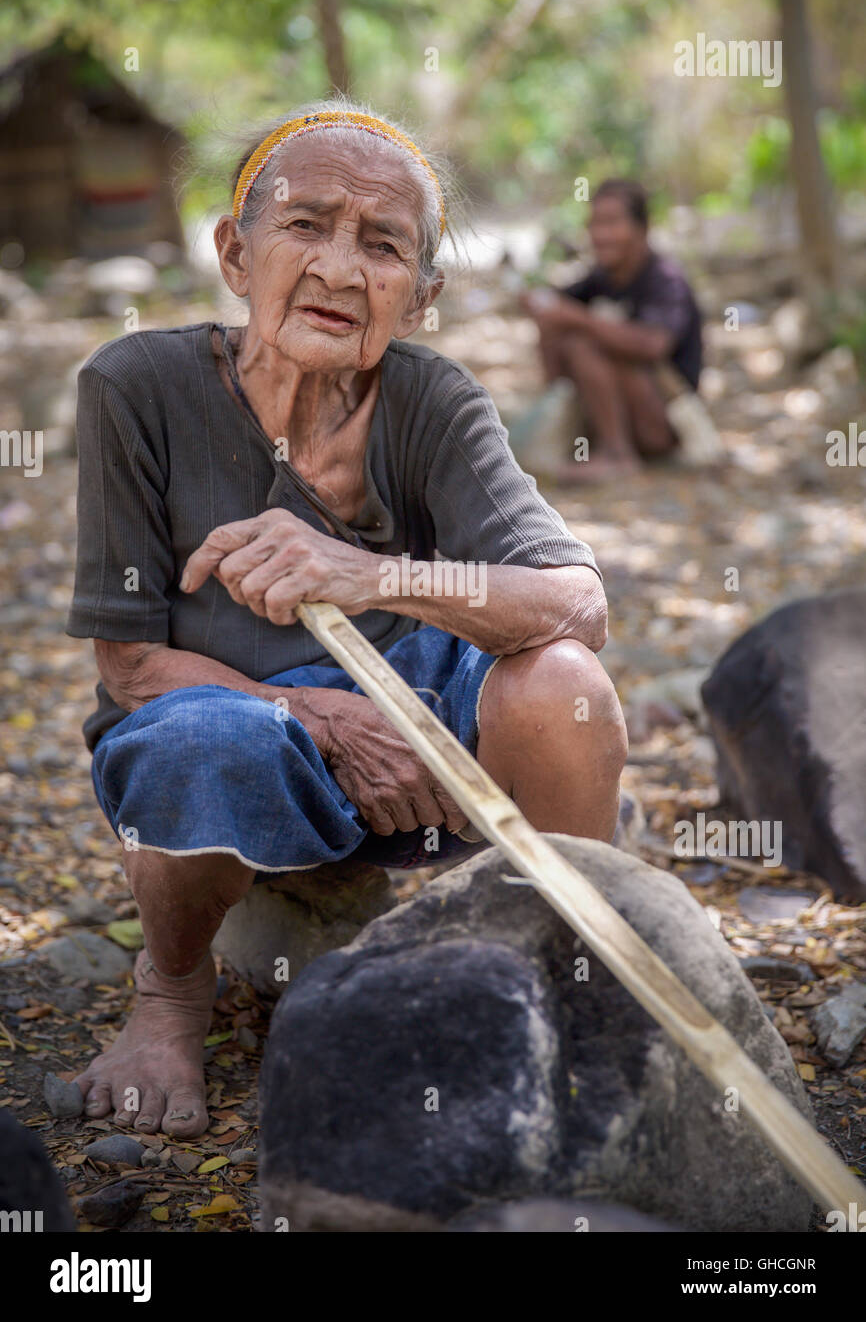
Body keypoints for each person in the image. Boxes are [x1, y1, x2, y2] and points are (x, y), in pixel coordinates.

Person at [65, 102, 628, 1139]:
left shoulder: (431, 400)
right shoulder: (133, 387)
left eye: (382, 245)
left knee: (560, 685)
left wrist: (363, 575)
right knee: (186, 743)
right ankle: (172, 992)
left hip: (427, 738)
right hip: (233, 722)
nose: (338, 266)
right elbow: (134, 664)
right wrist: (322, 715)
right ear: (236, 254)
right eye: (304, 225)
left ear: (418, 297)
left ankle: (568, 970)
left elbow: (575, 603)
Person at [522, 178, 703, 482]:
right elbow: (557, 307)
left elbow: (653, 345)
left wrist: (579, 319)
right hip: (633, 413)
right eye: (594, 224)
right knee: (563, 329)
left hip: (664, 424)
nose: (599, 235)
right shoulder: (602, 277)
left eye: (611, 223)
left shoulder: (666, 280)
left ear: (641, 228)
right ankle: (584, 436)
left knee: (584, 342)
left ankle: (618, 455)